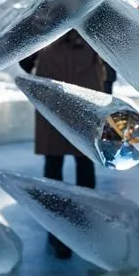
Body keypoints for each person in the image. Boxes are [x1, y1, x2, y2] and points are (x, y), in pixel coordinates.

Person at [20, 30, 105, 259]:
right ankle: (86, 225)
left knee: (54, 164)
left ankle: (57, 230)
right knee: (84, 162)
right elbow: (110, 63)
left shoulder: (47, 23)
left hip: (53, 99)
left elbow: (23, 61)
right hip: (85, 99)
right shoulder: (91, 19)